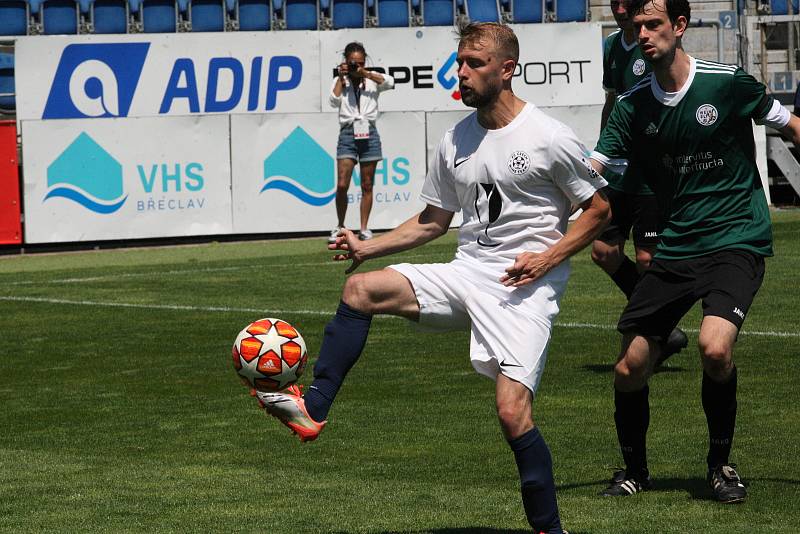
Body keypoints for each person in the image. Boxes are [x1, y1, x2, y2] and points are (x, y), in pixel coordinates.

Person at [258, 22, 610, 533]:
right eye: (460, 62)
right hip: (468, 273)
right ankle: (313, 408)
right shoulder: (457, 138)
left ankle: (550, 531)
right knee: (361, 290)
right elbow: (432, 221)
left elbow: (599, 209)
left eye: (474, 63)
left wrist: (547, 258)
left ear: (507, 69)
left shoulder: (549, 136)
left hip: (524, 291)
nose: (462, 73)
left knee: (513, 416)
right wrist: (366, 245)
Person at [589, 0, 800, 503]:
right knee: (629, 368)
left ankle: (720, 466)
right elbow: (596, 164)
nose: (642, 33)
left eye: (653, 24)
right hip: (678, 245)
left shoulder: (727, 83)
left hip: (735, 238)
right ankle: (635, 472)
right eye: (637, 25)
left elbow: (790, 126)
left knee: (714, 347)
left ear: (679, 27)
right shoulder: (632, 104)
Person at [593, 0, 688, 366]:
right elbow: (612, 102)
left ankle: (652, 331)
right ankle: (662, 326)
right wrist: (604, 150)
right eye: (615, 3)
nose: (619, 9)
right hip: (619, 171)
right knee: (603, 251)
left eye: (627, 3)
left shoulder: (657, 46)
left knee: (648, 258)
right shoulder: (612, 46)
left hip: (650, 173)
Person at [328, 42, 395, 243]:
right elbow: (333, 100)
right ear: (345, 62)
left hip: (369, 131)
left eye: (360, 62)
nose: (356, 66)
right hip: (348, 133)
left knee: (367, 184)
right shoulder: (341, 80)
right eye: (352, 63)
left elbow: (390, 82)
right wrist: (342, 77)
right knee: (342, 184)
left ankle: (364, 228)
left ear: (364, 62)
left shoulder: (371, 79)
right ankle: (340, 225)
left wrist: (364, 73)